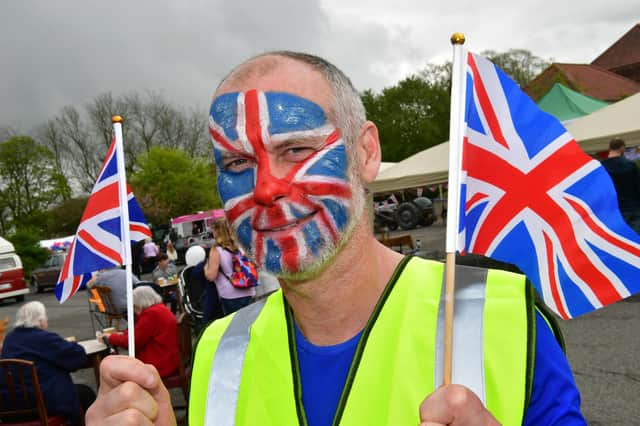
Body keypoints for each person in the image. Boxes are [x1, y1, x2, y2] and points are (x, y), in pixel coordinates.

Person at [86, 52, 585, 425]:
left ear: (366, 153)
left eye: (296, 149)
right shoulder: (218, 348)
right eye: (237, 163)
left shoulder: (501, 318)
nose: (265, 189)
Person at [1, 301, 96, 425]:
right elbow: (77, 356)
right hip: (44, 405)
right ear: (40, 321)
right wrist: (70, 344)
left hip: (11, 407)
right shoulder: (44, 338)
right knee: (85, 393)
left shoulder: (10, 339)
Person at [103, 286, 179, 379]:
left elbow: (132, 342)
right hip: (169, 358)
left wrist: (110, 337)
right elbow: (140, 332)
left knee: (117, 371)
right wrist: (122, 334)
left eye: (134, 305)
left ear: (139, 304)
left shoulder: (151, 314)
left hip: (159, 363)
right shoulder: (160, 309)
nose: (134, 309)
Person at [203, 218, 256, 315]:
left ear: (217, 231)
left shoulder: (217, 249)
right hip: (249, 290)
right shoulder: (240, 245)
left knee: (235, 325)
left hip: (230, 294)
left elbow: (211, 276)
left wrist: (206, 267)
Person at [601, 138, 640, 234]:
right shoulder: (630, 165)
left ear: (609, 148)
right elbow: (638, 187)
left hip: (613, 210)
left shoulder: (602, 167)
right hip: (633, 208)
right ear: (622, 148)